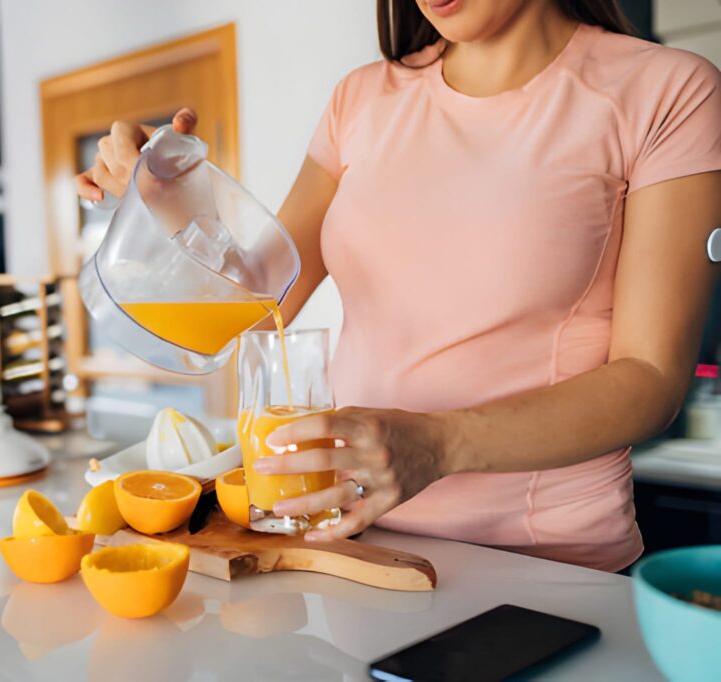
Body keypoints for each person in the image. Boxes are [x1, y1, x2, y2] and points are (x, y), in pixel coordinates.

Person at [77, 0, 721, 571]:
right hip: (358, 548)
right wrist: (162, 203)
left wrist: (438, 444)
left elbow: (650, 378)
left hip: (546, 567)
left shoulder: (663, 91)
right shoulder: (360, 100)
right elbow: (255, 307)